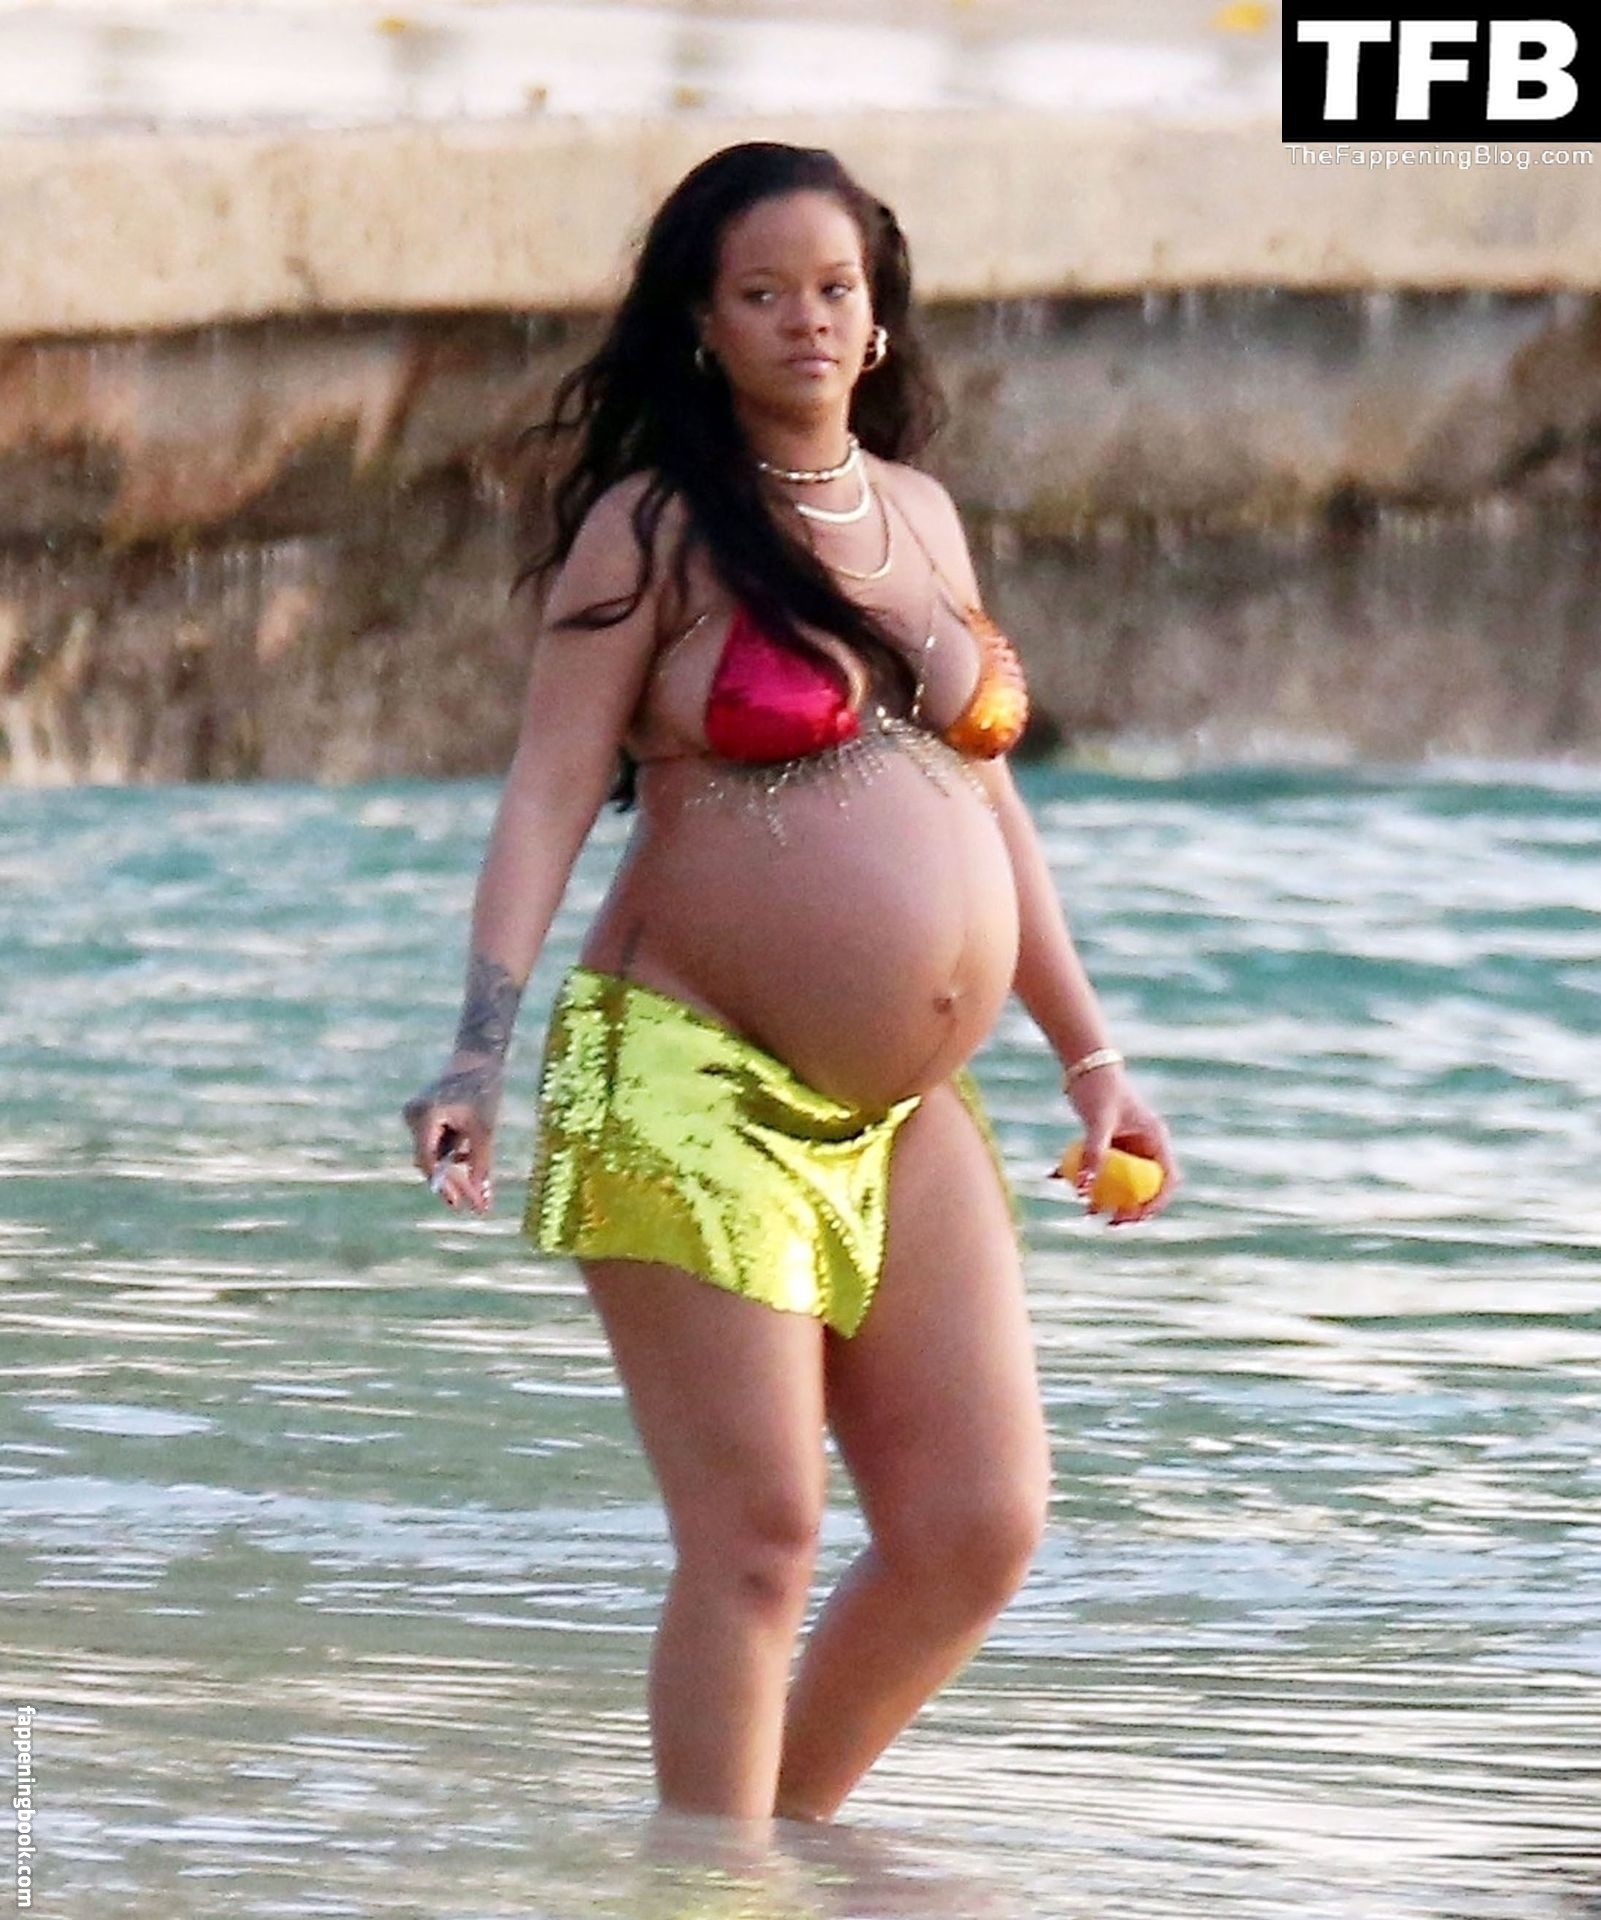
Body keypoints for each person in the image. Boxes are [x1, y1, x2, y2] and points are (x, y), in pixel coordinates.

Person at [401, 140, 1179, 1827]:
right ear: (704, 322)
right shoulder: (654, 528)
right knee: (759, 1537)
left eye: (834, 288)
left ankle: (771, 1859)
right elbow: (548, 788)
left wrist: (1088, 1059)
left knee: (976, 1524)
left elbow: (990, 805)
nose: (806, 319)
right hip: (690, 1066)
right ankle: (710, 1885)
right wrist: (475, 1051)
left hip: (906, 1106)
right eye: (762, 292)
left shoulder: (922, 514)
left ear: (878, 318)